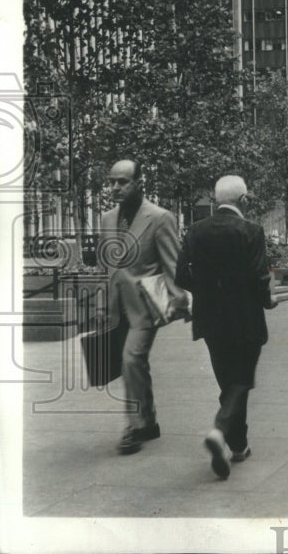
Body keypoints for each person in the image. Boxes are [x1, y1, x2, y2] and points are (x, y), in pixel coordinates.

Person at [175, 176, 276, 479]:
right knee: (241, 380)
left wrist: (206, 292)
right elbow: (260, 275)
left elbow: (181, 276)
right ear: (243, 200)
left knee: (228, 381)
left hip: (210, 319)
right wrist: (267, 300)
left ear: (217, 200)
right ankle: (220, 430)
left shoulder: (194, 231)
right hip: (245, 317)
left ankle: (238, 444)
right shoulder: (252, 231)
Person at [99, 160, 187, 455]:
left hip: (144, 306)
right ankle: (148, 421)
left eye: (122, 182)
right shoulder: (107, 219)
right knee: (134, 363)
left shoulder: (160, 218)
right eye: (111, 182)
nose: (114, 188)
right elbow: (107, 266)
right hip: (115, 305)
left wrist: (178, 301)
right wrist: (102, 304)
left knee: (131, 359)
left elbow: (171, 262)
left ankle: (134, 426)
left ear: (139, 183)